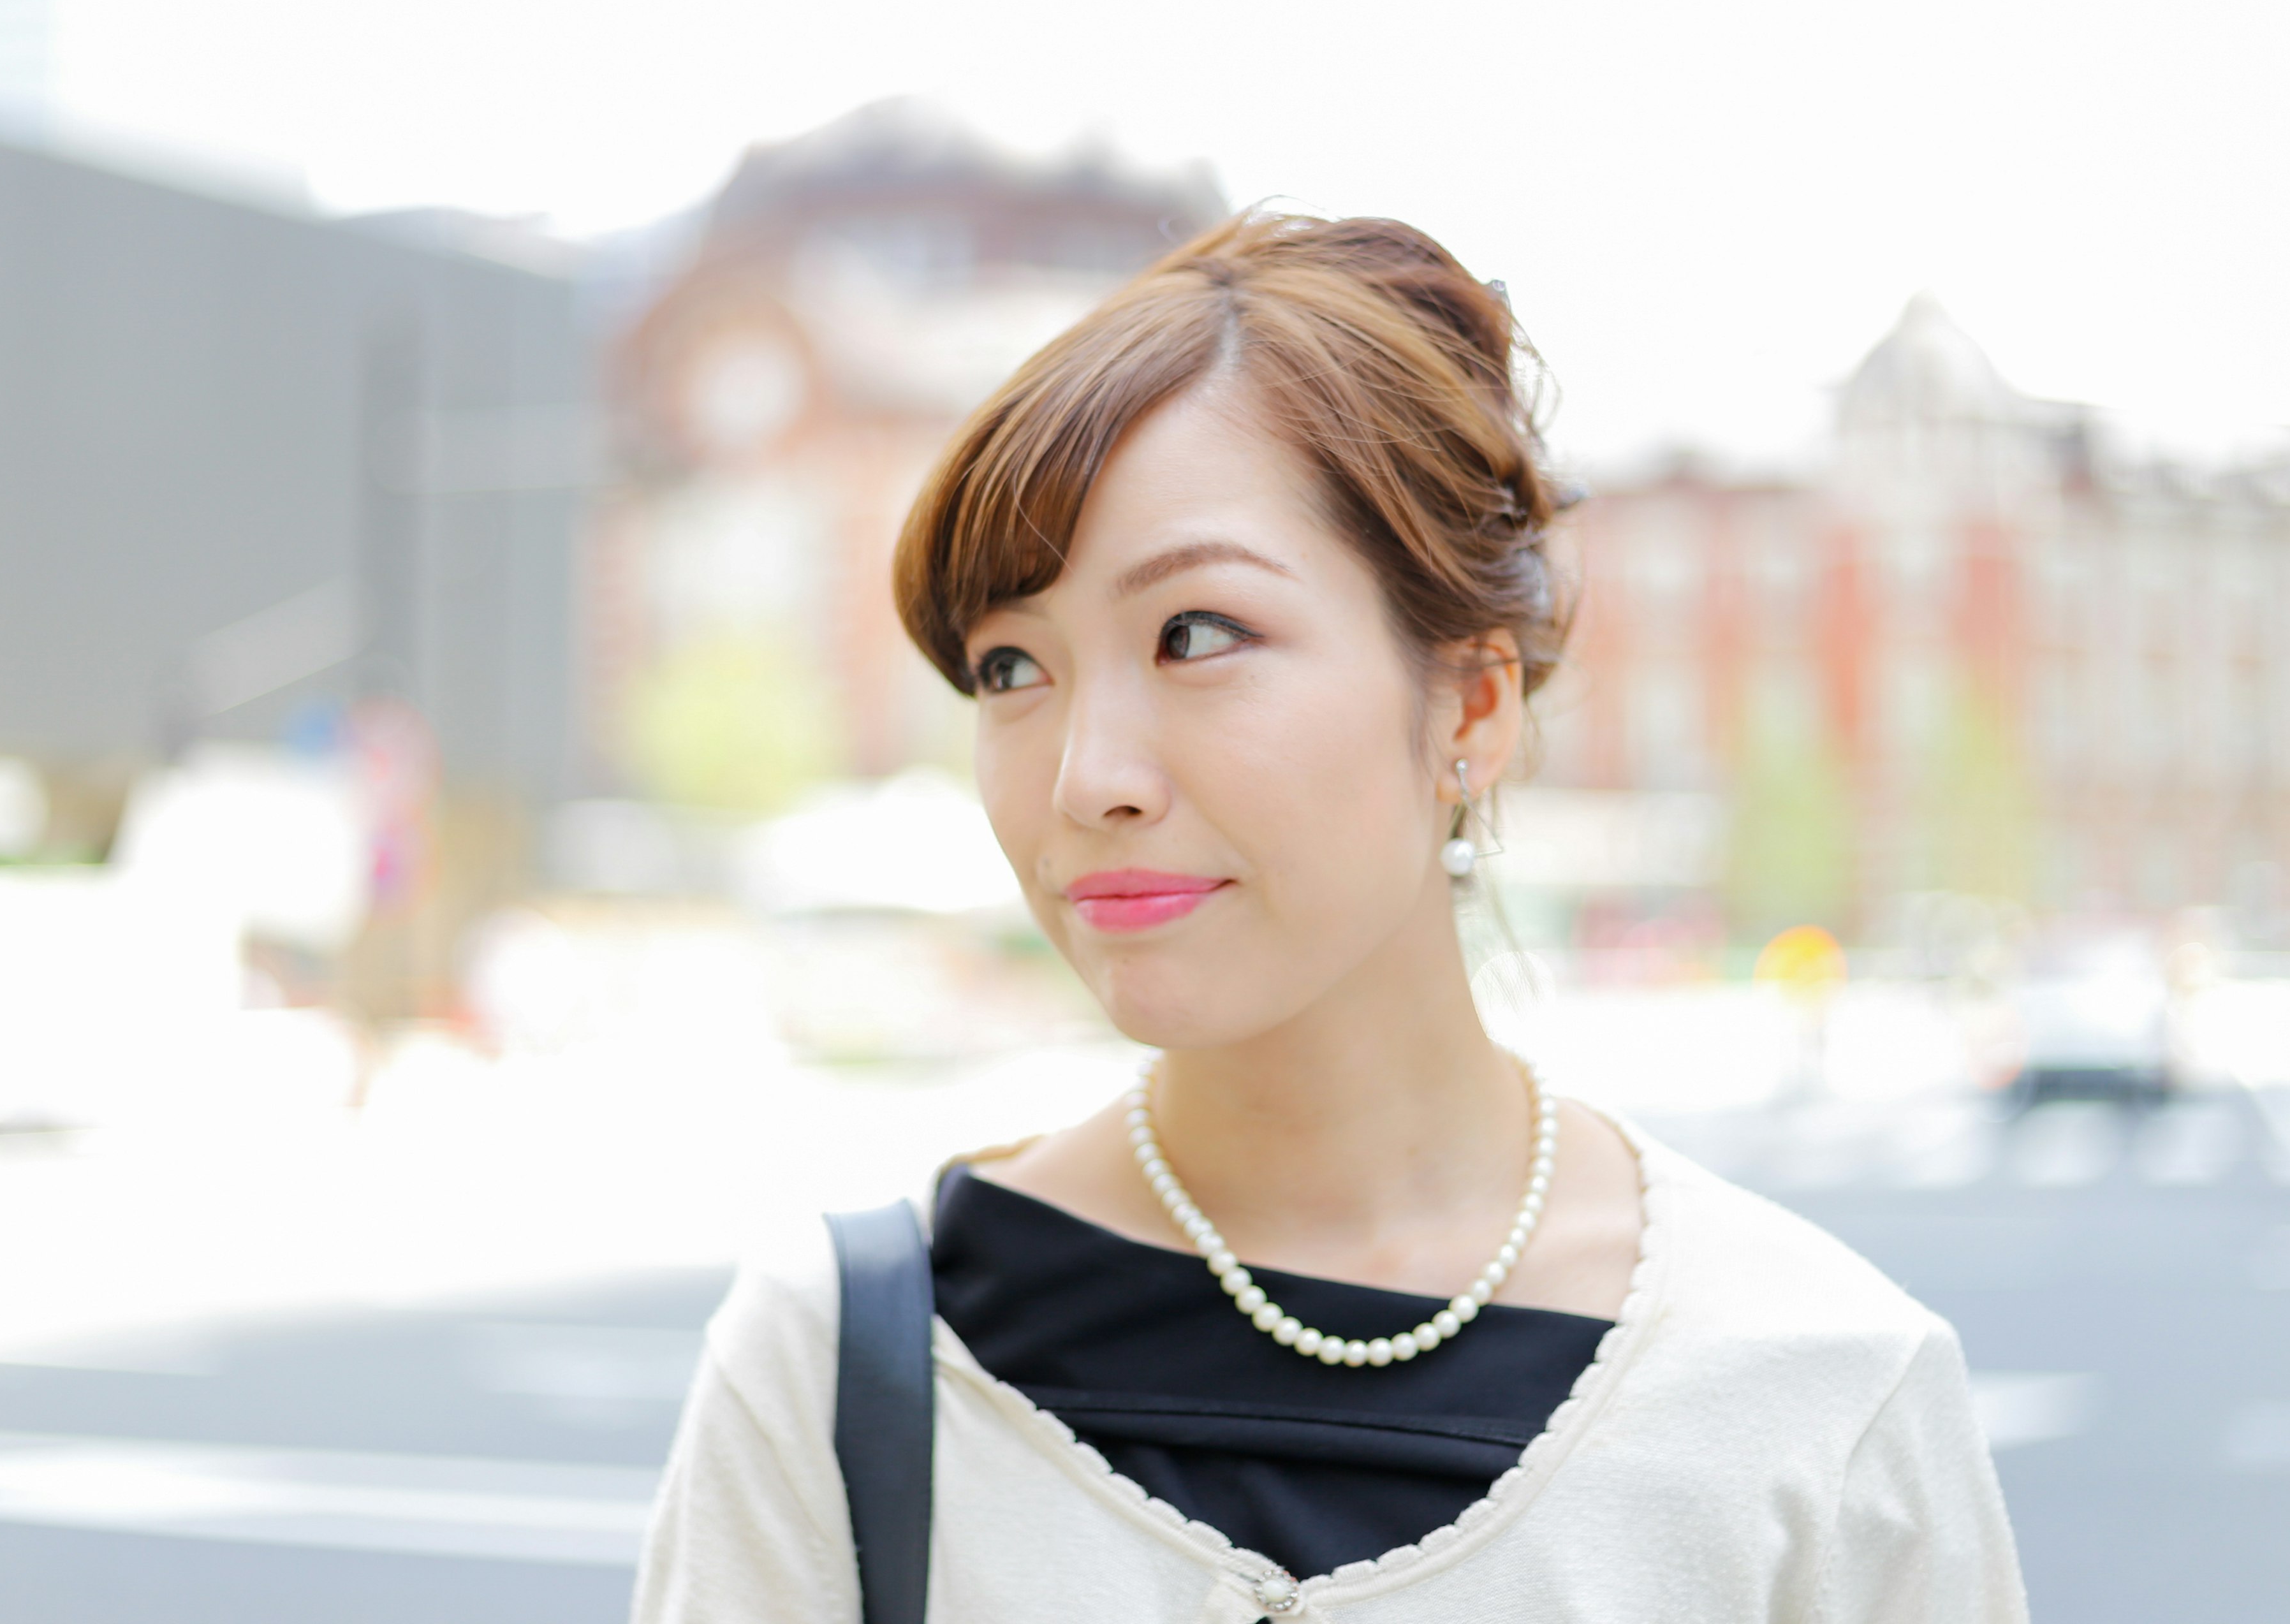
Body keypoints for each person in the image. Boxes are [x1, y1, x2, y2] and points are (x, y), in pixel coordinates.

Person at [632, 212, 2027, 1622]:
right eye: (1010, 664)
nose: (1084, 776)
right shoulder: (846, 1359)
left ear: (1469, 704)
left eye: (1196, 633)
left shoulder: (1818, 1391)